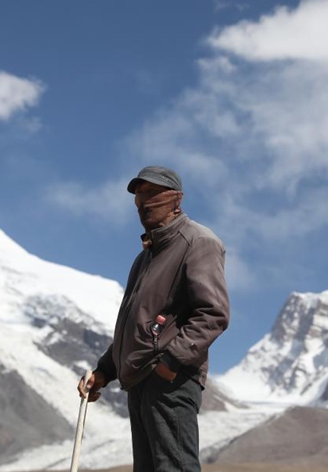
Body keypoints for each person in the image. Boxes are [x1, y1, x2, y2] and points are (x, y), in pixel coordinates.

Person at [77, 165, 230, 472]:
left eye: (152, 193)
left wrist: (170, 364)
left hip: (171, 381)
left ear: (176, 199)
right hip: (141, 382)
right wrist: (105, 370)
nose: (143, 202)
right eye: (138, 195)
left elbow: (213, 313)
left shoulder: (198, 242)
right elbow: (137, 325)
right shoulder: (144, 258)